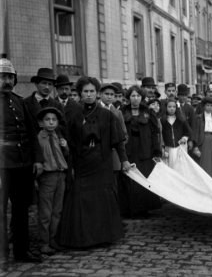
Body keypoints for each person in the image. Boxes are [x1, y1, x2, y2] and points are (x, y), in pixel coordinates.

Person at [58, 77, 131, 248]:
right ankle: (84, 238)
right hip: (82, 164)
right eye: (85, 91)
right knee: (82, 198)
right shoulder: (75, 116)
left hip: (102, 161)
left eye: (92, 91)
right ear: (80, 94)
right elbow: (70, 142)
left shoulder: (107, 115)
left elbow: (118, 141)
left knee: (102, 198)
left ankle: (103, 236)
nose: (89, 95)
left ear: (97, 94)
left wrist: (124, 161)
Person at [0, 57, 43, 263]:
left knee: (20, 210)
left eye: (9, 77)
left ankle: (21, 252)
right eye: (2, 77)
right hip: (2, 167)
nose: (6, 81)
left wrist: (37, 160)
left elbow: (32, 133)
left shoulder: (19, 101)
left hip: (22, 164)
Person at [120, 85, 162, 218]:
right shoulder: (122, 112)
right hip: (129, 149)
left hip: (145, 149)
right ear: (128, 98)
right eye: (133, 96)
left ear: (142, 97)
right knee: (129, 179)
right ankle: (129, 209)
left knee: (144, 177)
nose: (135, 98)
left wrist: (156, 151)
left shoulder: (148, 112)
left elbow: (155, 132)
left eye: (138, 96)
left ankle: (144, 208)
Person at [35, 107, 68, 255]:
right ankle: (44, 242)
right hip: (47, 177)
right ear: (41, 123)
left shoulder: (57, 136)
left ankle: (54, 239)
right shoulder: (38, 138)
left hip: (60, 175)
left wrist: (65, 147)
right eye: (47, 120)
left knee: (57, 211)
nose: (51, 122)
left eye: (54, 120)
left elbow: (64, 155)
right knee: (45, 212)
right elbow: (36, 159)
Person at [24, 68, 66, 135]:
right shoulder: (25, 103)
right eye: (44, 83)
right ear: (36, 84)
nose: (47, 87)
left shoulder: (57, 105)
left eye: (50, 84)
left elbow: (63, 128)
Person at [161, 99, 192, 169]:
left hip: (180, 147)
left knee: (181, 167)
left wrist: (184, 138)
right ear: (166, 108)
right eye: (169, 107)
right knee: (171, 167)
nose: (172, 108)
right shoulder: (162, 120)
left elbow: (187, 131)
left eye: (174, 107)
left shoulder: (181, 119)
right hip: (168, 148)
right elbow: (161, 135)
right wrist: (163, 147)